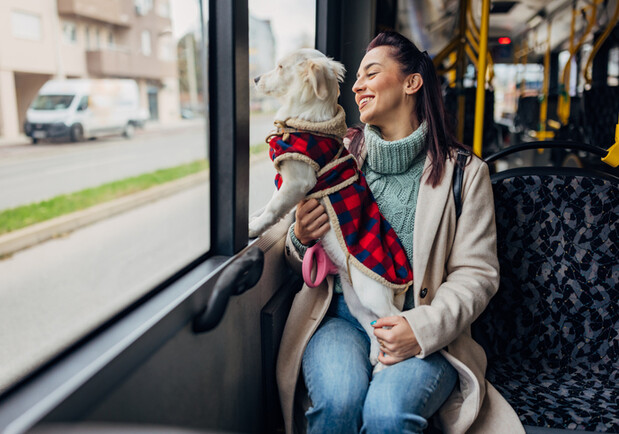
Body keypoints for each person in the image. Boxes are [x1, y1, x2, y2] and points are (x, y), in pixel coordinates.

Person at [276, 31, 524, 434]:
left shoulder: (465, 173)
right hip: (339, 318)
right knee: (339, 403)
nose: (356, 86)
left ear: (412, 82)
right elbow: (299, 255)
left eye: (371, 73)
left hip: (421, 323)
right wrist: (300, 238)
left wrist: (421, 329)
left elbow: (476, 275)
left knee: (387, 414)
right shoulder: (337, 152)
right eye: (356, 77)